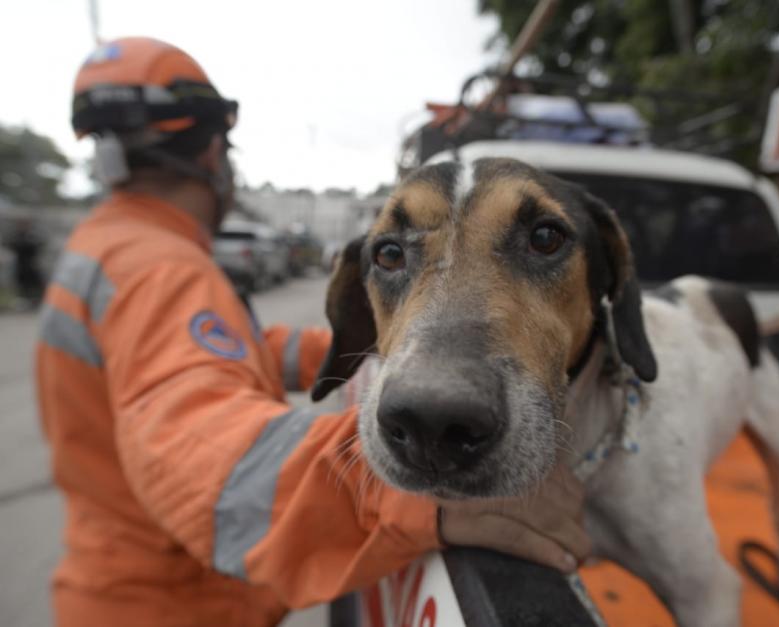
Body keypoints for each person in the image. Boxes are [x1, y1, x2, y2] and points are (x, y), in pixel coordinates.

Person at [36, 37, 588, 626]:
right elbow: (199, 452)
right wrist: (396, 495)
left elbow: (211, 355)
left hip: (114, 582)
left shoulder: (107, 245)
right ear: (211, 155)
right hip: (166, 606)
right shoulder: (158, 269)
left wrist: (383, 342)